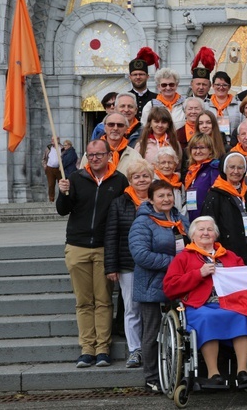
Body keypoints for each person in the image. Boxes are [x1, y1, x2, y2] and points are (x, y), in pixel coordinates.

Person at [57, 139, 128, 369]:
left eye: (99, 154)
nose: (95, 158)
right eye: (91, 154)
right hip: (77, 246)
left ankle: (103, 349)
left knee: (104, 300)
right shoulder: (76, 178)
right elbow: (62, 210)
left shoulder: (118, 181)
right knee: (84, 301)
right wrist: (63, 193)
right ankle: (87, 349)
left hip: (104, 247)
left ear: (109, 155)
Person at [163, 216, 247, 384]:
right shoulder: (184, 257)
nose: (206, 233)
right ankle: (213, 373)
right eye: (201, 230)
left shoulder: (229, 256)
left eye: (210, 229)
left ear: (216, 235)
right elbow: (169, 288)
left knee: (242, 315)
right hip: (199, 305)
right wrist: (199, 274)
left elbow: (244, 279)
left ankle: (242, 371)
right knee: (207, 318)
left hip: (229, 303)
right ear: (192, 235)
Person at [129, 180, 189, 392]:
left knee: (181, 330)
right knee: (152, 332)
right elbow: (140, 255)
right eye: (161, 196)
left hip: (178, 284)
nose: (166, 199)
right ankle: (152, 377)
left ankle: (177, 372)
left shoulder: (179, 219)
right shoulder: (143, 222)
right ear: (151, 199)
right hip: (152, 284)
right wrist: (173, 263)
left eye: (169, 195)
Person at [104, 159, 152, 370]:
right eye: (136, 177)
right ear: (130, 180)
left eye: (145, 176)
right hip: (127, 263)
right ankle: (135, 349)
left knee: (151, 308)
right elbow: (111, 235)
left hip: (154, 264)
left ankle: (153, 346)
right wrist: (111, 266)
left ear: (151, 178)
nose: (141, 180)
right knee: (131, 308)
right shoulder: (119, 202)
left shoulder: (159, 199)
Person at [201, 152, 247, 265]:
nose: (236, 171)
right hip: (227, 253)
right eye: (232, 167)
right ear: (224, 169)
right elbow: (208, 227)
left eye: (240, 168)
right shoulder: (215, 195)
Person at [183, 133, 221, 221]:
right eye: (195, 148)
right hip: (193, 216)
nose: (198, 151)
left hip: (207, 219)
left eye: (202, 148)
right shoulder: (191, 170)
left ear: (210, 150)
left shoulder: (214, 168)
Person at [208, 72, 243, 144]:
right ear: (213, 86)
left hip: (233, 144)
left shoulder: (239, 106)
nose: (221, 87)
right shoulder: (205, 106)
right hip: (211, 144)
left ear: (229, 87)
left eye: (224, 85)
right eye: (218, 85)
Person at [127, 47, 160, 120]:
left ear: (147, 76)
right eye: (135, 74)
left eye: (141, 74)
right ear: (130, 77)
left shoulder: (157, 98)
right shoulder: (125, 98)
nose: (138, 77)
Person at [153, 146, 186, 215]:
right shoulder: (152, 184)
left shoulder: (180, 185)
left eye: (170, 162)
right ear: (156, 165)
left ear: (175, 165)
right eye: (163, 163)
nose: (167, 166)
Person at [42, 137, 62, 202]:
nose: (52, 141)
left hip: (59, 169)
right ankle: (51, 199)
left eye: (54, 139)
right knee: (51, 185)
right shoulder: (48, 148)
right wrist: (45, 166)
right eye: (52, 139)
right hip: (50, 169)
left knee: (61, 184)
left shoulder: (62, 148)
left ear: (58, 140)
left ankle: (61, 199)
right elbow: (44, 158)